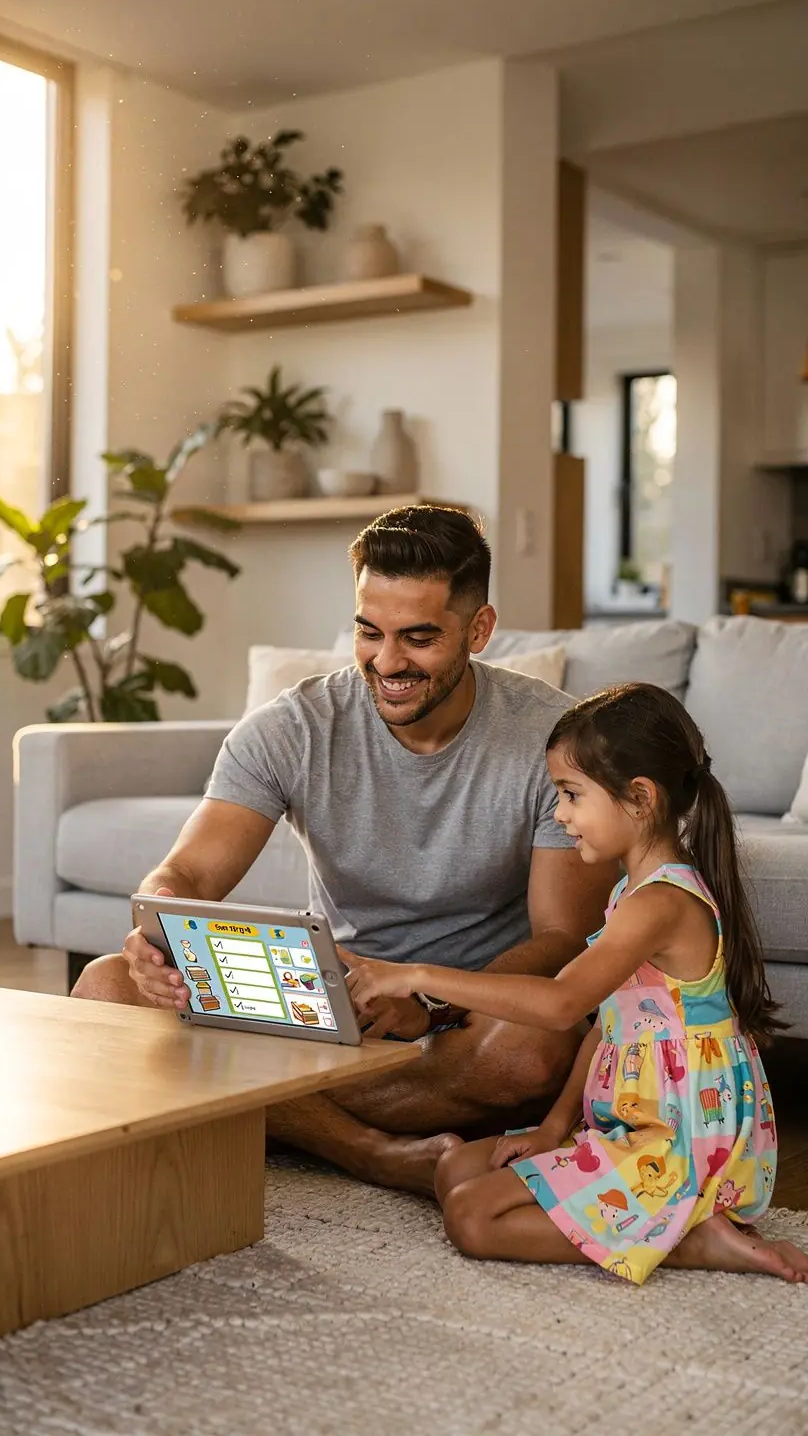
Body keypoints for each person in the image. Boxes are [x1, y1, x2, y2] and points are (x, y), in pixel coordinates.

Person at [72, 505, 617, 1193]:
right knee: (104, 990)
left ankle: (259, 1107)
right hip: (331, 999)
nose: (387, 662)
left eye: (419, 638)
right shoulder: (291, 728)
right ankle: (366, 1149)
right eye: (369, 632)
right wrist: (156, 931)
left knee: (533, 1052)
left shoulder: (555, 737)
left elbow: (563, 938)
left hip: (467, 1014)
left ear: (479, 630)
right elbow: (187, 872)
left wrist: (430, 998)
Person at [348, 683, 808, 1282]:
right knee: (455, 1170)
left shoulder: (661, 903)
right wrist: (553, 1128)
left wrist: (416, 975)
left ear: (639, 798)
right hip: (628, 1124)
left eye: (571, 794)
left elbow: (562, 1003)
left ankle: (690, 1243)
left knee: (471, 1216)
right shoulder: (629, 895)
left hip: (680, 1141)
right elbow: (605, 1025)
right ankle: (661, 1222)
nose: (560, 814)